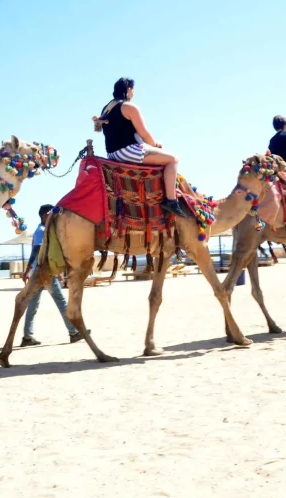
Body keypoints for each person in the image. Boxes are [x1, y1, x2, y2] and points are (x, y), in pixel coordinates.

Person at [95, 78, 187, 217]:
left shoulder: (107, 108)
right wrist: (156, 145)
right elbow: (144, 133)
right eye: (133, 90)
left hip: (113, 154)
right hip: (128, 151)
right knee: (173, 160)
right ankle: (171, 200)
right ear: (129, 89)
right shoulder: (128, 107)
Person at [19, 204, 85, 347]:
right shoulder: (42, 231)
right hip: (45, 273)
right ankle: (73, 333)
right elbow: (37, 251)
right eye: (51, 215)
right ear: (45, 216)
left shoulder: (43, 230)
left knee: (33, 305)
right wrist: (28, 269)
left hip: (40, 274)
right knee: (62, 303)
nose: (54, 217)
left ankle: (27, 337)